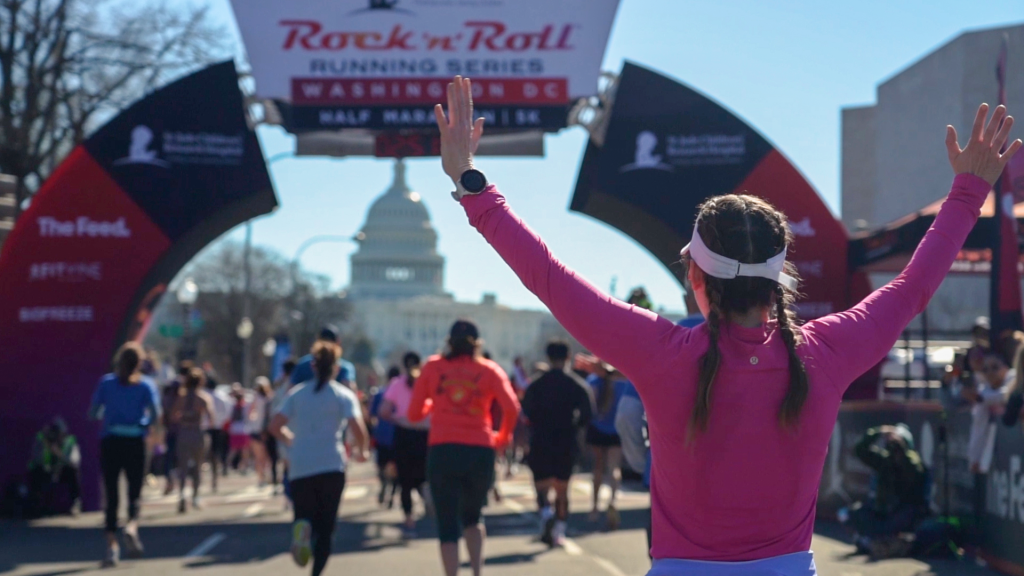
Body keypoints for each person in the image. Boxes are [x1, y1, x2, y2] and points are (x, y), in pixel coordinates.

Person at [434, 76, 1020, 574]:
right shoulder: (825, 351)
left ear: (696, 275)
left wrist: (470, 181)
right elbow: (912, 289)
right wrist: (968, 191)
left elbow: (547, 275)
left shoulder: (660, 350)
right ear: (778, 278)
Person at [408, 319, 520, 576]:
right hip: (479, 449)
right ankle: (477, 571)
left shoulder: (433, 367)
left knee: (447, 524)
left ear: (449, 342)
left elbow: (414, 414)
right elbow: (512, 408)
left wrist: (434, 405)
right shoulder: (489, 370)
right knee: (474, 516)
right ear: (477, 344)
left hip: (443, 449)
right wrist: (501, 438)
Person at [270, 341, 369, 576]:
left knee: (304, 513)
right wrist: (362, 451)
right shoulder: (343, 394)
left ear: (313, 366)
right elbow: (358, 428)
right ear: (336, 368)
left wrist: (290, 440)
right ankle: (316, 570)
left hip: (301, 465)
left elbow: (274, 426)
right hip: (331, 465)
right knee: (327, 526)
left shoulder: (297, 394)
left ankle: (303, 529)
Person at [88, 342, 161, 567]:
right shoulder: (146, 385)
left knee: (111, 494)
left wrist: (109, 415)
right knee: (134, 491)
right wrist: (143, 423)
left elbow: (93, 412)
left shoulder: (106, 383)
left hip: (111, 441)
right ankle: (131, 526)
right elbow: (156, 414)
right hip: (135, 441)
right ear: (139, 363)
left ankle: (112, 547)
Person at [521, 340, 594, 547]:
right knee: (562, 489)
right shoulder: (577, 385)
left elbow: (526, 412)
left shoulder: (536, 384)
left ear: (548, 357)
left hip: (541, 439)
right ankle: (559, 530)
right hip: (566, 440)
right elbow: (588, 414)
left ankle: (546, 515)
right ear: (568, 357)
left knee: (541, 486)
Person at [848, 425, 928, 558]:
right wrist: (878, 432)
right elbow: (860, 450)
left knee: (887, 527)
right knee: (852, 513)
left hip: (904, 510)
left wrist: (901, 449)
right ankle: (873, 541)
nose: (894, 446)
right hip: (884, 509)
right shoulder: (885, 460)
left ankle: (883, 542)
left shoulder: (913, 462)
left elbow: (913, 471)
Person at [381, 352, 431, 537]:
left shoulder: (396, 384)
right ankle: (427, 500)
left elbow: (383, 411)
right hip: (424, 434)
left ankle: (409, 516)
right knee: (425, 474)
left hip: (403, 434)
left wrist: (399, 419)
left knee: (404, 480)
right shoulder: (427, 382)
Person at [585, 362, 627, 528]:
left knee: (597, 467)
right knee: (614, 468)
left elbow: (589, 407)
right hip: (616, 429)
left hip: (597, 428)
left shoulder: (593, 381)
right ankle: (613, 501)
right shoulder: (622, 380)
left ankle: (595, 507)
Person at [171, 367, 213, 513]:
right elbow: (211, 418)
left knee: (182, 466)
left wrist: (184, 417)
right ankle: (195, 496)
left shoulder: (181, 397)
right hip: (197, 433)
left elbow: (173, 415)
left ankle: (182, 495)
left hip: (184, 432)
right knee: (198, 466)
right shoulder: (203, 398)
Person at [27, 417, 81, 515]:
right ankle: (36, 507)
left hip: (61, 472)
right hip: (47, 471)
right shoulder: (43, 440)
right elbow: (35, 458)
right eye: (55, 433)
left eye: (60, 434)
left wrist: (58, 453)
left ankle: (75, 504)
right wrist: (46, 444)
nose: (58, 437)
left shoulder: (70, 442)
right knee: (36, 472)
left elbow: (74, 461)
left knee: (73, 471)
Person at [291, 326, 357, 390]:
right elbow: (349, 387)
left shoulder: (302, 364)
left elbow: (291, 389)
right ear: (338, 343)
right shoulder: (344, 367)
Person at [371, 367, 400, 508]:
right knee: (396, 466)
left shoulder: (379, 393)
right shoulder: (402, 393)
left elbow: (372, 415)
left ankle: (383, 484)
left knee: (381, 465)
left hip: (381, 436)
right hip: (398, 436)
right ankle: (393, 493)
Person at [271, 358, 297, 500]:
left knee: (287, 467)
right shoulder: (299, 388)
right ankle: (291, 496)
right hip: (295, 433)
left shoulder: (279, 390)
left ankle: (289, 497)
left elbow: (273, 414)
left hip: (283, 434)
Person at [204, 376, 231, 492]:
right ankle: (214, 479)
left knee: (204, 455)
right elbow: (227, 414)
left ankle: (203, 479)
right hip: (218, 429)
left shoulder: (204, 395)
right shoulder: (221, 397)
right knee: (216, 454)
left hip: (205, 429)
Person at [250, 377, 274, 487]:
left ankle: (261, 478)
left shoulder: (256, 398)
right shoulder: (269, 398)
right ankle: (264, 477)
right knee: (265, 457)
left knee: (259, 457)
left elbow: (251, 413)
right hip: (264, 429)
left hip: (258, 429)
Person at [226, 384, 252, 474]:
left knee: (234, 450)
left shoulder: (232, 405)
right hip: (242, 429)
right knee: (244, 450)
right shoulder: (244, 406)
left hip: (235, 429)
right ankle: (244, 467)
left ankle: (227, 466)